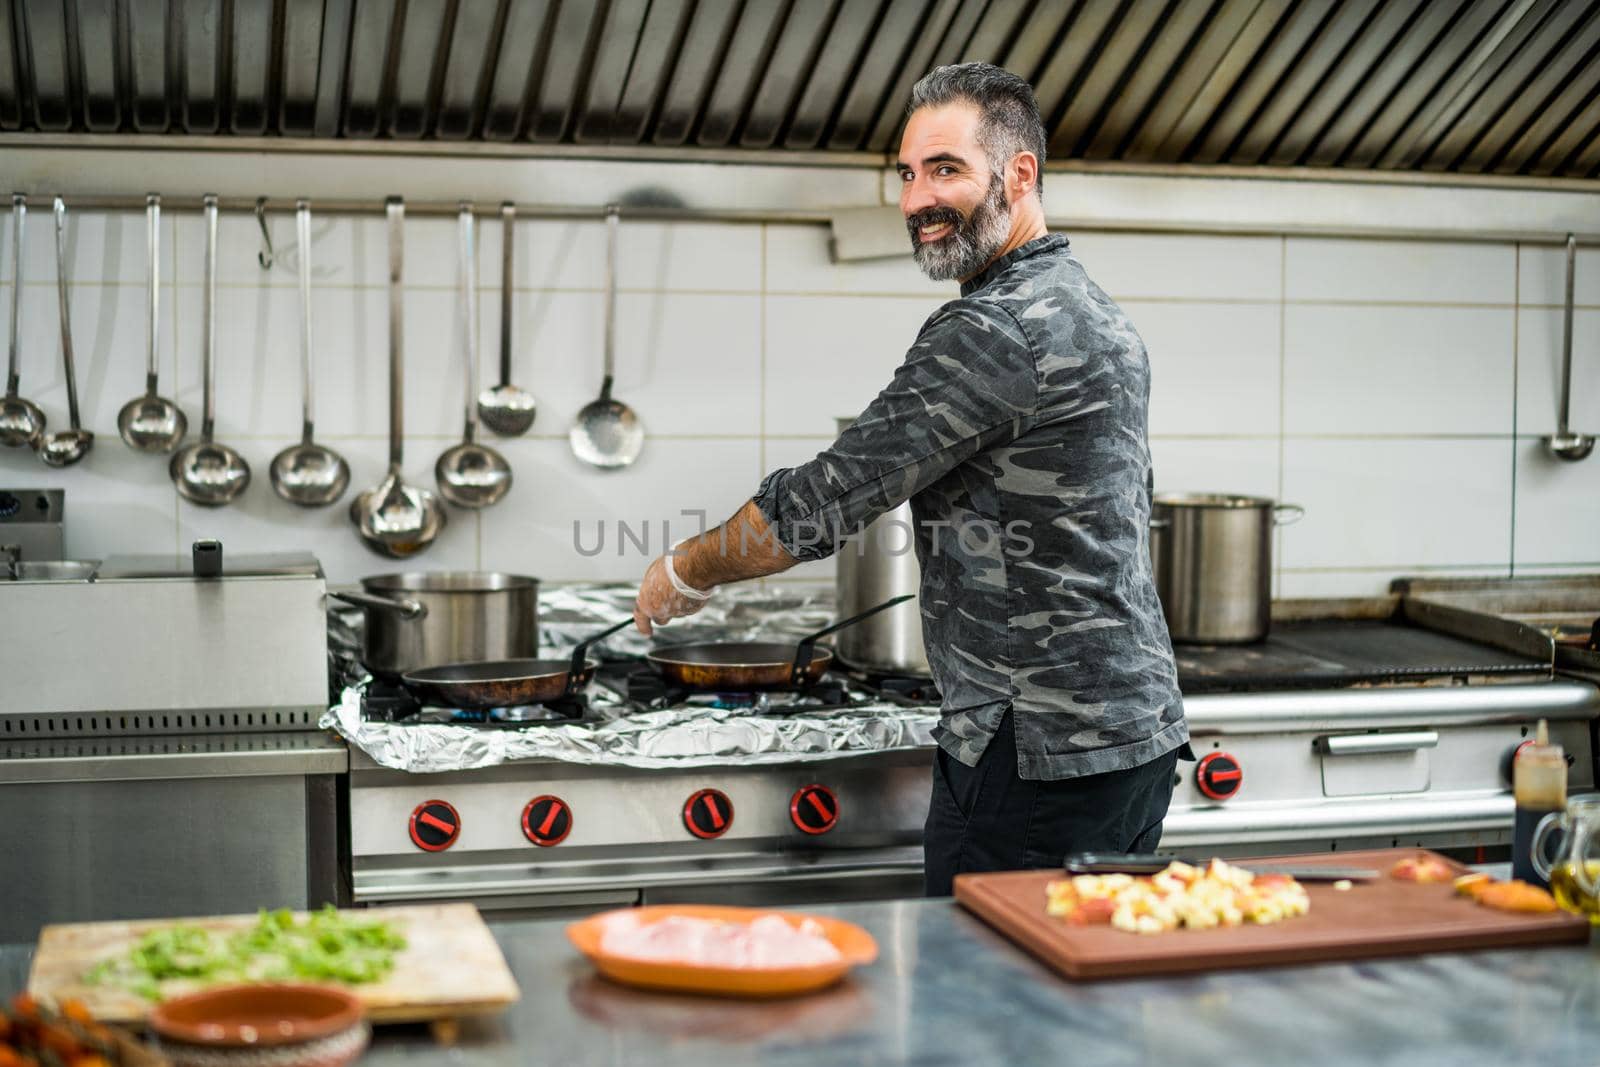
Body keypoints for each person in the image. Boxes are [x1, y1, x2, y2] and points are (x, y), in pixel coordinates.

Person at [632, 62, 1190, 896]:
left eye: (946, 170)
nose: (917, 199)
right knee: (1075, 1008)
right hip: (1122, 736)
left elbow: (824, 500)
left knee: (987, 1011)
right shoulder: (1088, 306)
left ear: (1020, 174)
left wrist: (686, 568)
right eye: (906, 172)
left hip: (1034, 750)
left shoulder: (994, 329)